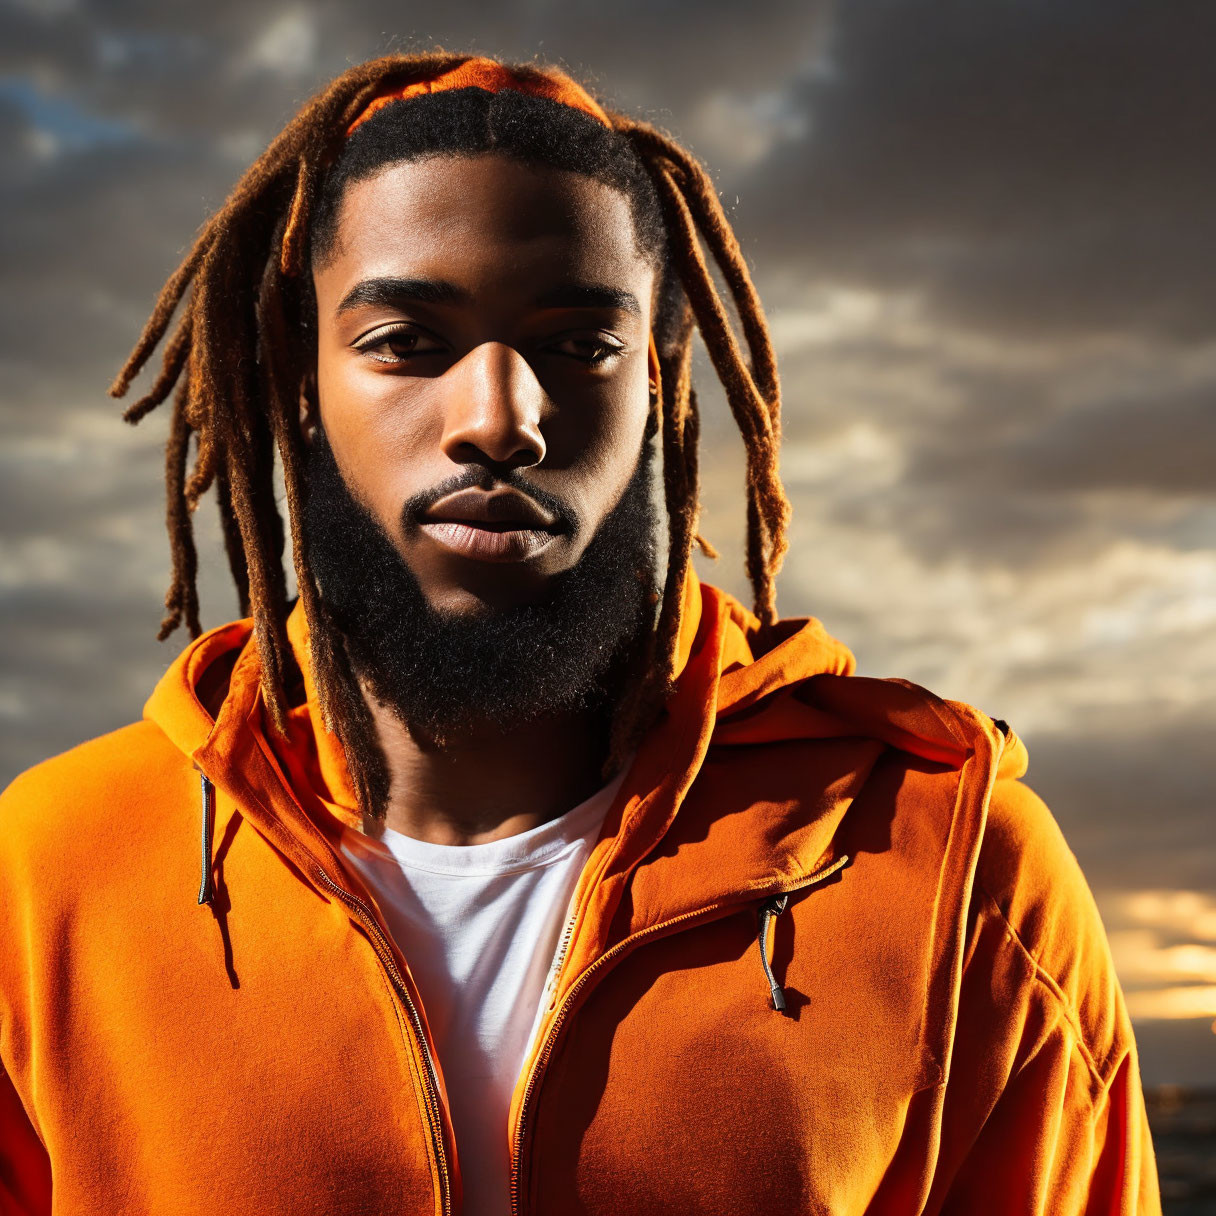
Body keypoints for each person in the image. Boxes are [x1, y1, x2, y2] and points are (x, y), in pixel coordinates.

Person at [0, 54, 1160, 1216]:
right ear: (300, 381)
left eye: (579, 344)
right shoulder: (48, 871)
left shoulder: (961, 872)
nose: (498, 418)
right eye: (406, 340)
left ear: (655, 384)